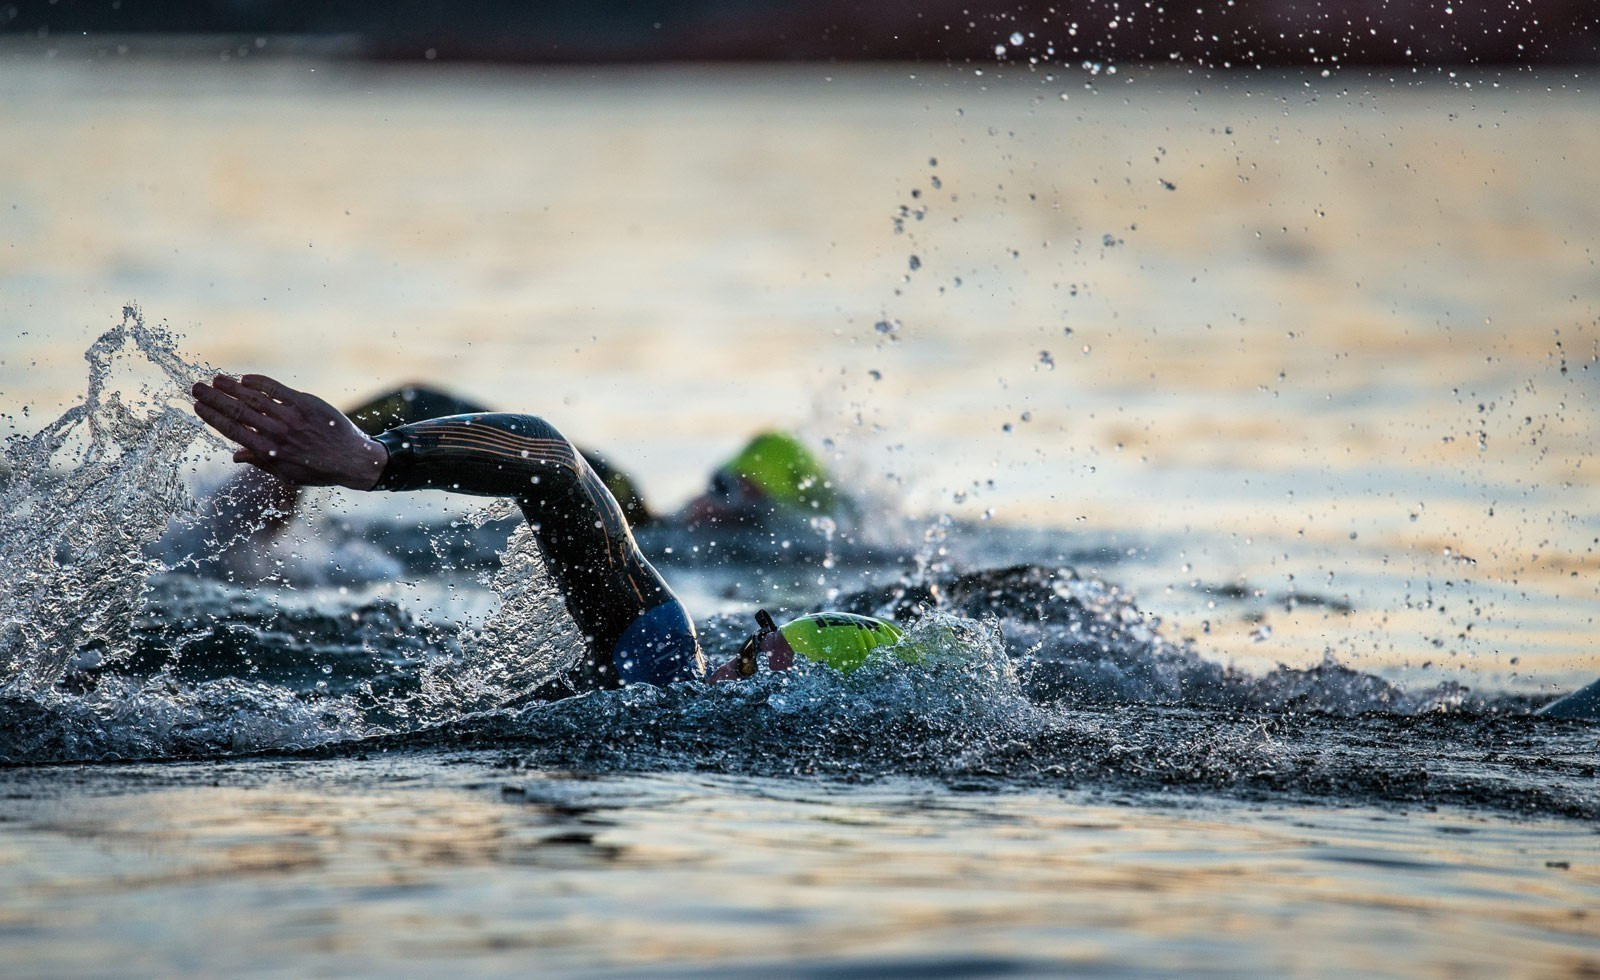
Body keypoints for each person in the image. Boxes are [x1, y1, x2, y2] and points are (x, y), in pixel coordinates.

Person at [190, 373, 897, 698]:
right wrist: (370, 459)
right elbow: (550, 459)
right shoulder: (666, 658)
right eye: (744, 644)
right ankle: (265, 487)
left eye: (746, 665)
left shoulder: (667, 678)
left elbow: (552, 460)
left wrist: (374, 461)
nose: (722, 664)